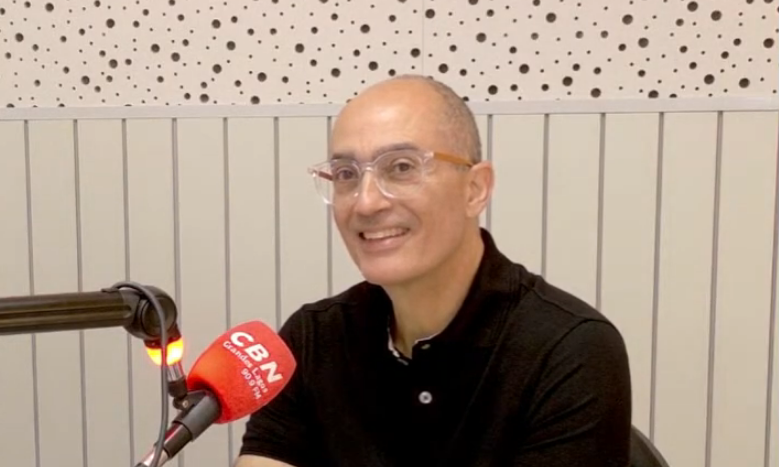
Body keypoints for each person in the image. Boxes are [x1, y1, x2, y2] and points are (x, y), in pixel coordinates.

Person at [235, 74, 632, 467]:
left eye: (401, 167)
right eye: (345, 175)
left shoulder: (569, 350)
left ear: (475, 189)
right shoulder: (311, 339)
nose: (366, 202)